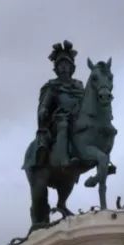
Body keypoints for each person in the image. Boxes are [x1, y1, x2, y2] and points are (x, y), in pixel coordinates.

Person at [31, 40, 85, 170]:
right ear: (56, 68)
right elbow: (45, 103)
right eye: (61, 64)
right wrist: (43, 109)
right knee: (63, 124)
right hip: (60, 118)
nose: (64, 67)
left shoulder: (79, 85)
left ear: (72, 67)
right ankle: (63, 160)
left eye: (67, 64)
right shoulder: (52, 86)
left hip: (78, 117)